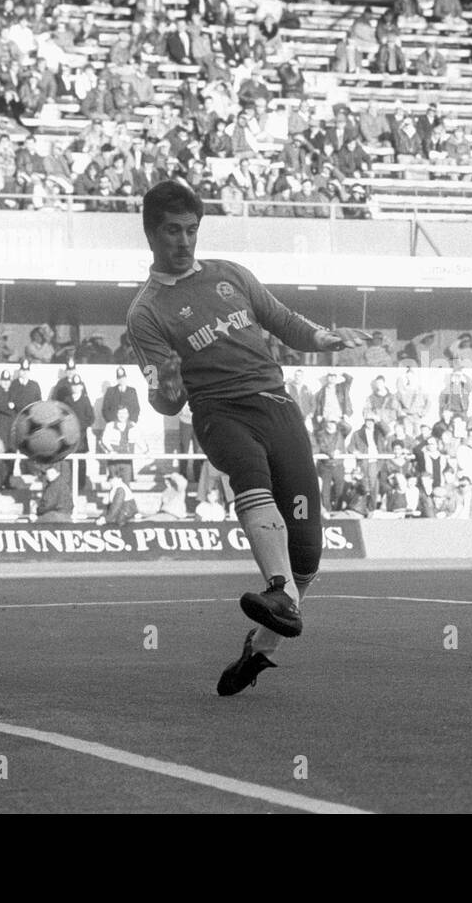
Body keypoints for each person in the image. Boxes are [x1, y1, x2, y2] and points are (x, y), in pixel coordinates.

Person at [125, 181, 367, 696]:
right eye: (172, 230)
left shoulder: (231, 274)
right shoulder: (145, 312)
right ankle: (276, 589)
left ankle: (259, 649)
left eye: (191, 229)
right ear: (150, 233)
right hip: (219, 412)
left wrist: (322, 338)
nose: (184, 240)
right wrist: (168, 388)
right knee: (251, 481)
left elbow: (281, 320)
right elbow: (163, 399)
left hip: (278, 407)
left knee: (308, 558)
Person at [0, 368, 18, 491]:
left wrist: (12, 405)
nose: (6, 382)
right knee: (0, 455)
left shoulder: (13, 393)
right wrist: (10, 405)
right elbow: (0, 405)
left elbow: (18, 405)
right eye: (4, 380)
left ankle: (7, 480)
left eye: (8, 380)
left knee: (11, 455)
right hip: (0, 430)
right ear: (0, 380)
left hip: (11, 431)